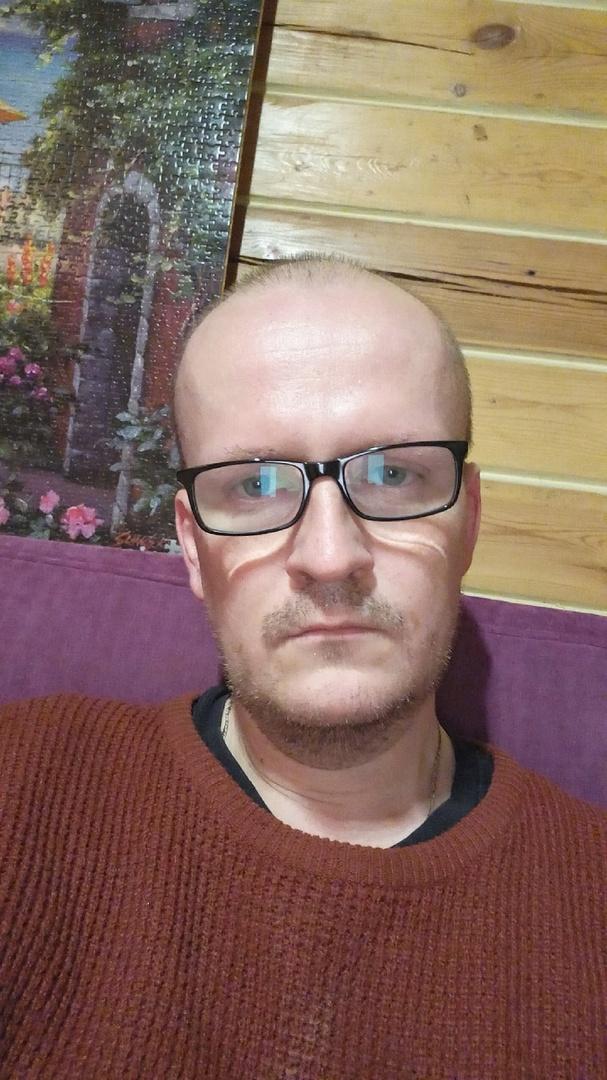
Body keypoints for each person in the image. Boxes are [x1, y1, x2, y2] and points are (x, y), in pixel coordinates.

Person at [0, 255, 605, 1078]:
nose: (328, 556)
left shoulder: (590, 897)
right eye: (254, 485)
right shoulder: (22, 785)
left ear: (467, 523)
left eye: (392, 474)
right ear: (192, 547)